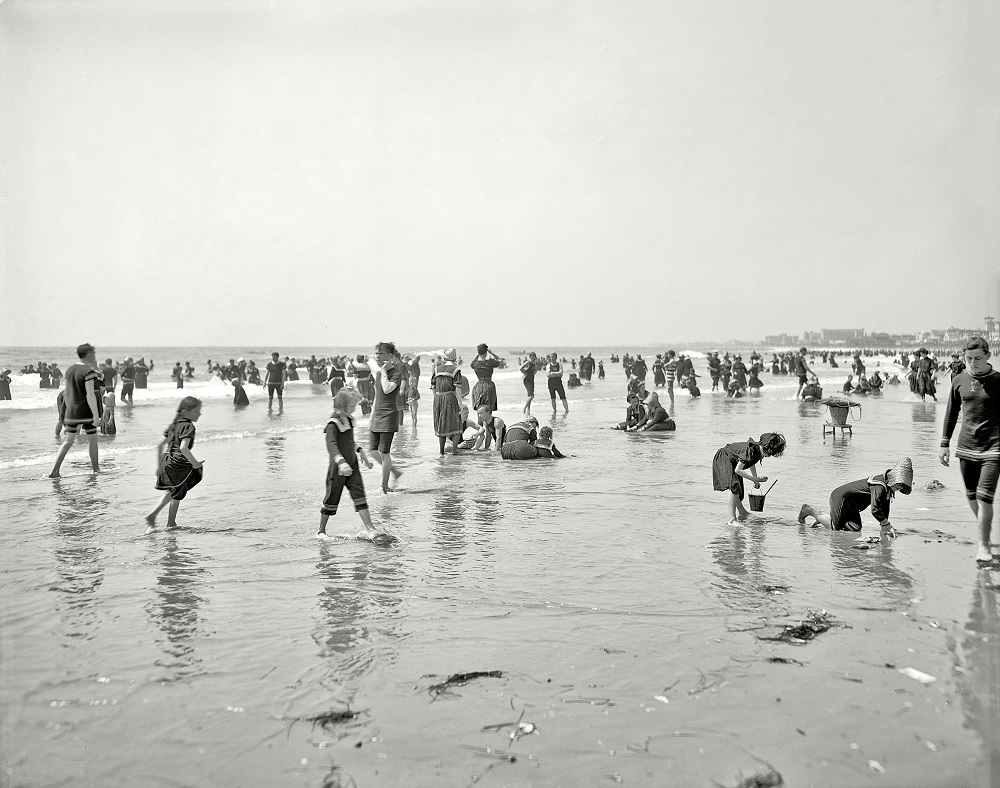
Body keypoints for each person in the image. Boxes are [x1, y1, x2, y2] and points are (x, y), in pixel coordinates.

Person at [940, 336, 1000, 563]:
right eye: (968, 358)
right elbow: (951, 413)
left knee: (986, 498)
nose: (973, 363)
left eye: (977, 358)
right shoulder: (958, 380)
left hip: (994, 448)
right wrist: (944, 443)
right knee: (972, 497)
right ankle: (984, 528)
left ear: (988, 356)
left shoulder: (998, 381)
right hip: (966, 447)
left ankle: (983, 545)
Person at [317, 389, 379, 539]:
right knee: (332, 498)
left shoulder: (350, 420)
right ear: (342, 404)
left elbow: (349, 442)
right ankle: (321, 531)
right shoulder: (333, 423)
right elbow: (332, 445)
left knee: (359, 495)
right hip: (338, 468)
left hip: (353, 465)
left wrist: (360, 451)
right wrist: (341, 462)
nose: (354, 409)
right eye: (352, 406)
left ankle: (370, 528)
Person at [797, 458, 913, 538]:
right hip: (841, 499)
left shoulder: (887, 488)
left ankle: (827, 518)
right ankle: (810, 510)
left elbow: (884, 507)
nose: (899, 488)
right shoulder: (879, 486)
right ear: (894, 478)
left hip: (852, 505)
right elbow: (875, 509)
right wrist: (886, 524)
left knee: (854, 529)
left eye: (901, 486)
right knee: (834, 528)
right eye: (899, 484)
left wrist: (884, 526)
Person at [145, 397, 205, 532]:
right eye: (197, 411)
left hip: (166, 460)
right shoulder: (188, 426)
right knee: (178, 492)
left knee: (172, 491)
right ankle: (170, 523)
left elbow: (159, 444)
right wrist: (195, 463)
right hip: (179, 463)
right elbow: (184, 448)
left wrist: (158, 466)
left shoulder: (175, 424)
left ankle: (153, 516)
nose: (199, 414)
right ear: (186, 411)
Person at [49, 343, 103, 478]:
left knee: (68, 441)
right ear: (89, 354)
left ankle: (55, 470)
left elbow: (67, 393)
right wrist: (96, 415)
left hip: (72, 412)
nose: (94, 356)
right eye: (93, 354)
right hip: (86, 412)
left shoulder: (70, 370)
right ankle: (96, 469)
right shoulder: (89, 372)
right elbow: (90, 395)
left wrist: (69, 411)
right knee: (93, 440)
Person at [712, 432, 786, 524]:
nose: (768, 456)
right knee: (734, 486)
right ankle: (732, 519)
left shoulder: (757, 450)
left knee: (738, 488)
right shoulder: (751, 450)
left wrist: (755, 479)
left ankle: (742, 512)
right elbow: (738, 470)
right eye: (768, 453)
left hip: (733, 462)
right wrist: (755, 479)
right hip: (725, 458)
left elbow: (751, 462)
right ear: (764, 447)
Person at [368, 341, 403, 492]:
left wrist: (383, 371)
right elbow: (377, 394)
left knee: (384, 452)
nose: (377, 356)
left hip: (389, 416)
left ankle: (384, 485)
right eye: (376, 353)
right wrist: (371, 414)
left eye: (380, 353)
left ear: (389, 355)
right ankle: (395, 472)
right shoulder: (378, 373)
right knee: (372, 451)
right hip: (376, 414)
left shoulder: (396, 373)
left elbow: (387, 389)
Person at [431, 349, 464, 455]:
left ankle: (441, 452)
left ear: (445, 358)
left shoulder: (437, 369)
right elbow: (458, 389)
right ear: (454, 358)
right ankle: (454, 451)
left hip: (437, 398)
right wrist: (460, 404)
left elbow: (433, 387)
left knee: (441, 425)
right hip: (449, 397)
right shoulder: (455, 370)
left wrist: (436, 399)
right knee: (456, 424)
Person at [470, 343, 502, 447]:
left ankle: (478, 443)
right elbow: (501, 361)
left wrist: (478, 355)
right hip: (489, 387)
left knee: (480, 415)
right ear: (486, 351)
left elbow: (472, 363)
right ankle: (487, 445)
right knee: (488, 417)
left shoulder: (475, 364)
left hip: (478, 387)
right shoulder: (490, 362)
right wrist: (491, 353)